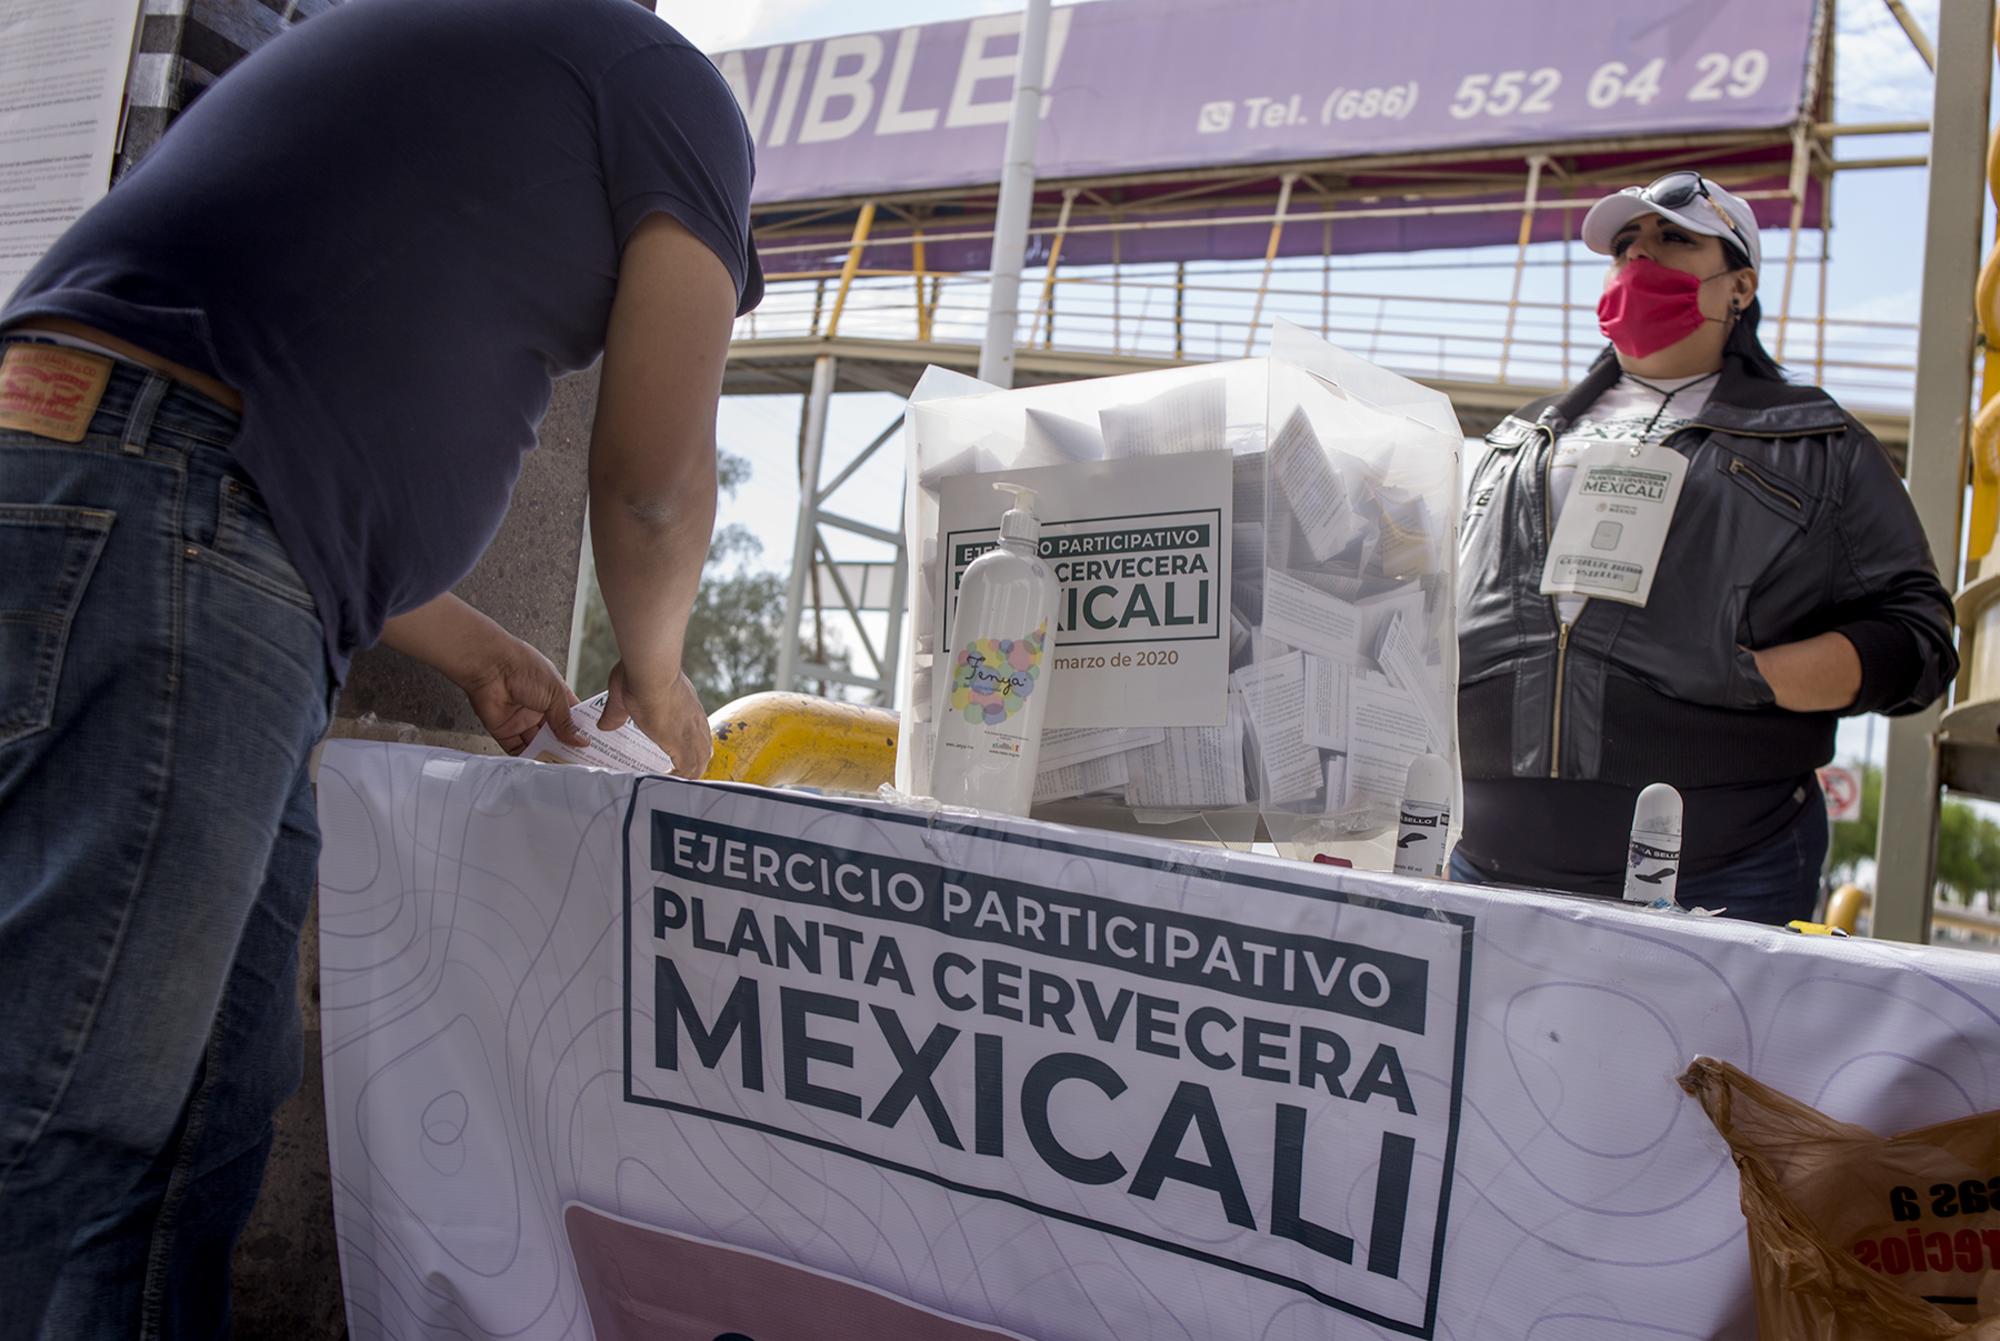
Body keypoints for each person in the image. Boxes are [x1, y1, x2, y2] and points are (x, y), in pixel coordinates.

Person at [0, 0, 760, 1334]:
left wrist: (470, 645)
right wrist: (656, 680)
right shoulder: (673, 92)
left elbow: (287, 379)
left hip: (155, 502)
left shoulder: (430, 55)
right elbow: (650, 485)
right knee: (75, 1111)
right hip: (168, 514)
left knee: (203, 1122)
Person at [1453, 172, 1956, 924]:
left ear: (1739, 287)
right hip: (1484, 852)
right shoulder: (1516, 439)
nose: (1639, 257)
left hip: (1723, 867)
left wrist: (1751, 675)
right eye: (1626, 244)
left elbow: (1918, 639)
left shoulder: (1819, 443)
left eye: (1673, 238)